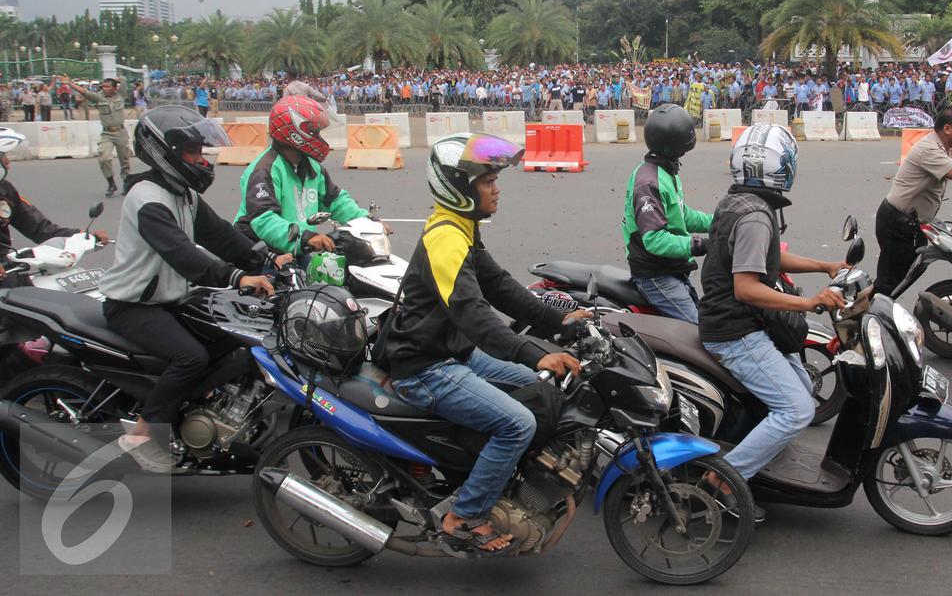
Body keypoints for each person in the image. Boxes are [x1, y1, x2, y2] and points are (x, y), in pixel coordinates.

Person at [378, 132, 588, 554]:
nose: (497, 188)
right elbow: (474, 314)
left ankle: (505, 478)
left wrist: (559, 321)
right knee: (518, 423)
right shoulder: (445, 238)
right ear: (459, 188)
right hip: (426, 365)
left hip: (456, 352)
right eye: (487, 181)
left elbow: (500, 286)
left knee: (542, 385)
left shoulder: (462, 226)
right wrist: (538, 351)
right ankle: (465, 514)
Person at [100, 106, 288, 472]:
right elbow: (182, 254)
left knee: (235, 335)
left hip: (168, 300)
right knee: (191, 357)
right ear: (164, 152)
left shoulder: (183, 193)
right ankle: (145, 430)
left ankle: (208, 412)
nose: (200, 160)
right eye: (192, 152)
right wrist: (237, 278)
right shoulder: (147, 198)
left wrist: (269, 261)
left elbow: (221, 236)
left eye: (201, 152)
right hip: (133, 306)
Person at [698, 123, 848, 521]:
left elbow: (767, 258)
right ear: (782, 167)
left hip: (735, 322)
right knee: (797, 409)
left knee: (800, 385)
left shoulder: (741, 202)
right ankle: (722, 482)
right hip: (736, 331)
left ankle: (754, 460)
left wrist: (825, 265)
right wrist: (810, 303)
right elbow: (747, 287)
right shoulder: (755, 216)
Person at [874, 99, 952, 296]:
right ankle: (868, 318)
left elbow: (951, 161)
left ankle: (863, 310)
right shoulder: (929, 149)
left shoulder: (941, 145)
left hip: (908, 223)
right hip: (898, 223)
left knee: (897, 279)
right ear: (948, 128)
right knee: (891, 284)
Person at [234, 95, 374, 257]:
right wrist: (305, 237)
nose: (320, 138)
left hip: (296, 249)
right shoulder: (264, 170)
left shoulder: (311, 167)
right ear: (296, 134)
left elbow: (335, 200)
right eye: (315, 132)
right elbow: (263, 219)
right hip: (259, 253)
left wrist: (366, 221)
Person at [621, 104, 712, 322]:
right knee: (700, 334)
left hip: (671, 267)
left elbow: (681, 215)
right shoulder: (649, 182)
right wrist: (701, 245)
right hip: (656, 274)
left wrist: (721, 220)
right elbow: (654, 239)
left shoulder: (665, 171)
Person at [0, 126, 109, 284]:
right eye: (4, 156)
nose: (8, 162)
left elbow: (40, 228)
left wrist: (82, 236)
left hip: (8, 267)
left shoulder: (5, 191)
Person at [57, 75, 130, 197]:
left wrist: (118, 79)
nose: (105, 88)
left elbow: (124, 80)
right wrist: (69, 83)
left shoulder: (120, 95)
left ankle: (127, 182)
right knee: (104, 158)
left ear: (114, 88)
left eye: (108, 86)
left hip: (121, 132)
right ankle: (111, 183)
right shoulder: (99, 98)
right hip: (107, 133)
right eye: (103, 86)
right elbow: (84, 92)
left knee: (125, 160)